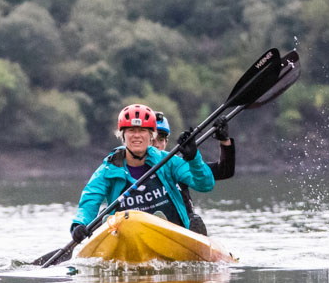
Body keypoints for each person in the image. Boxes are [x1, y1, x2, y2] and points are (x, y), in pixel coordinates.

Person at [69, 103, 215, 244]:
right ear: (123, 135)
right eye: (131, 130)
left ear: (151, 136)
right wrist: (79, 224)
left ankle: (160, 226)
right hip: (129, 238)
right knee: (110, 221)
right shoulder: (108, 169)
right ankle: (112, 233)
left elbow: (205, 185)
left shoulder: (168, 161)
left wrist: (194, 158)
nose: (137, 135)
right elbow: (90, 200)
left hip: (172, 235)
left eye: (142, 131)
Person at [152, 110, 235, 235]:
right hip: (148, 229)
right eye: (152, 140)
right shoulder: (130, 171)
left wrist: (224, 141)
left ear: (166, 142)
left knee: (194, 220)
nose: (157, 145)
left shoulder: (179, 167)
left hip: (184, 230)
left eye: (161, 139)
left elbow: (225, 171)